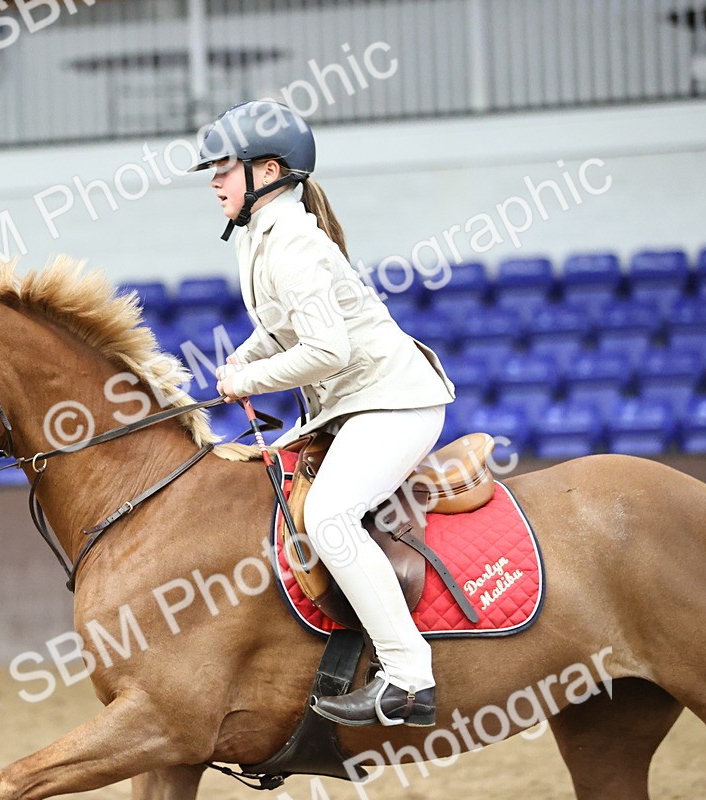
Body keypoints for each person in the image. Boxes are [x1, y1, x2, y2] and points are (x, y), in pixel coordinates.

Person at [192, 100, 457, 727]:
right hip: (353, 407)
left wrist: (247, 378)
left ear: (269, 171)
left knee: (331, 516)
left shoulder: (295, 245)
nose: (214, 179)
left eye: (225, 168)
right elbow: (278, 329)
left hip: (395, 403)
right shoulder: (262, 237)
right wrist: (223, 373)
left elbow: (327, 351)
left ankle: (409, 678)